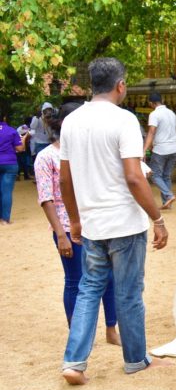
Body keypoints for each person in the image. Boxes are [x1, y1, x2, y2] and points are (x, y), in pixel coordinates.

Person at [58, 57, 172, 385]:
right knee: (128, 292)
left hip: (93, 222)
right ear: (120, 85)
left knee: (88, 289)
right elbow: (135, 178)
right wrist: (158, 218)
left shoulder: (71, 122)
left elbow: (65, 181)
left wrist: (76, 220)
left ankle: (74, 361)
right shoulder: (124, 121)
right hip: (125, 222)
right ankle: (136, 359)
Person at [35, 102, 119, 344]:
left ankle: (111, 329)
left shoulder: (87, 155)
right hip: (68, 228)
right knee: (75, 280)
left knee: (109, 278)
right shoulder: (46, 157)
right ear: (66, 124)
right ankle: (77, 334)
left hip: (97, 223)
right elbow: (46, 197)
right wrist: (61, 234)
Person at [143, 92, 176, 210]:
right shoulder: (171, 113)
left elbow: (152, 132)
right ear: (161, 100)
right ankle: (167, 203)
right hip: (173, 149)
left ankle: (169, 195)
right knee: (166, 176)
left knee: (155, 176)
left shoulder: (154, 114)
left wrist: (144, 150)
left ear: (151, 103)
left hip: (161, 150)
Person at [0, 110, 25, 224]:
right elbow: (20, 149)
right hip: (9, 163)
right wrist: (24, 139)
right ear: (4, 118)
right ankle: (5, 219)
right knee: (6, 192)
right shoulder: (11, 130)